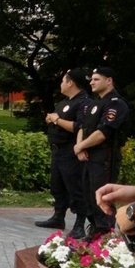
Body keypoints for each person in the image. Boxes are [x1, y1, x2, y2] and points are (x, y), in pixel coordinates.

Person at [73, 67, 129, 237]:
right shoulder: (94, 103)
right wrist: (80, 147)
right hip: (88, 158)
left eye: (96, 79)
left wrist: (81, 146)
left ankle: (106, 235)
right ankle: (95, 231)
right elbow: (83, 127)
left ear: (109, 81)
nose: (91, 82)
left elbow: (103, 133)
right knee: (89, 196)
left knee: (103, 198)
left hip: (104, 158)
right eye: (91, 79)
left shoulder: (116, 104)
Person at [34, 69, 90, 237]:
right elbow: (55, 119)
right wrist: (51, 119)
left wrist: (57, 120)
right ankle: (58, 217)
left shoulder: (84, 103)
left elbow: (79, 126)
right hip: (57, 151)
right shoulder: (64, 102)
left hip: (70, 151)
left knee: (75, 187)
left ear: (70, 82)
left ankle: (80, 224)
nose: (61, 84)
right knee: (57, 185)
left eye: (63, 81)